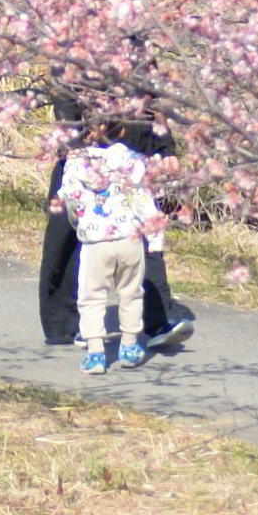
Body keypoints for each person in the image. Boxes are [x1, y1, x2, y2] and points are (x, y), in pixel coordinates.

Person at [58, 131, 167, 373]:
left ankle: (96, 353)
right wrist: (155, 239)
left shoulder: (76, 164)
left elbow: (72, 201)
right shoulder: (132, 161)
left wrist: (78, 222)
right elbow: (144, 202)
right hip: (130, 239)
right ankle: (129, 346)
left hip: (96, 242)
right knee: (131, 293)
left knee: (92, 297)